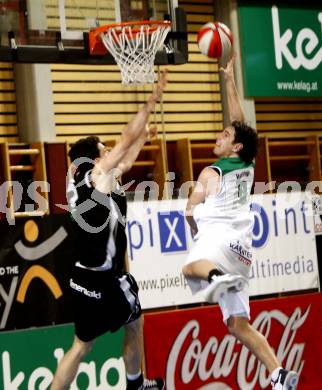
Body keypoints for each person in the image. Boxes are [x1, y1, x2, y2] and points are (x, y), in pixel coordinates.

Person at [182, 55, 299, 390]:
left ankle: (218, 277)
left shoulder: (210, 171)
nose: (220, 134)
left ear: (234, 145)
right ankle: (278, 375)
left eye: (224, 133)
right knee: (237, 324)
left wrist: (193, 225)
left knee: (191, 269)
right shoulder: (247, 166)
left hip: (218, 243)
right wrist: (230, 81)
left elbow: (190, 209)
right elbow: (242, 125)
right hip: (243, 252)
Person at [50, 71, 168, 390]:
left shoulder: (88, 180)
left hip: (81, 277)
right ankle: (135, 385)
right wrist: (151, 100)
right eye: (103, 150)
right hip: (104, 278)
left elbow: (126, 158)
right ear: (93, 159)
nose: (109, 153)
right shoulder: (96, 175)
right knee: (135, 322)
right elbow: (124, 142)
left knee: (81, 346)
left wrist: (143, 137)